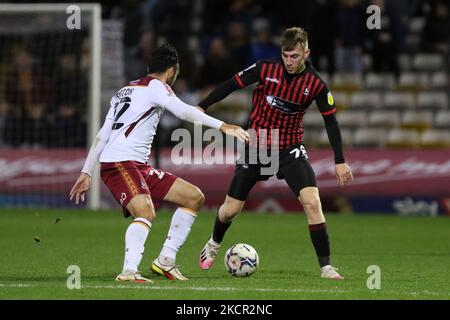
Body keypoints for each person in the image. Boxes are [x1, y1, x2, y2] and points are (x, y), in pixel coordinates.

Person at [69, 44, 248, 283]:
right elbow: (183, 112)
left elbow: (102, 134)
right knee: (144, 212)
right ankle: (129, 271)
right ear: (172, 71)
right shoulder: (157, 86)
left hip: (135, 165)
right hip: (121, 162)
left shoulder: (124, 90)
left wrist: (86, 171)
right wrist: (224, 126)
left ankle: (165, 262)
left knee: (193, 197)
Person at [197, 27, 353, 280]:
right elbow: (230, 85)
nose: (289, 61)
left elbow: (331, 122)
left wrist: (340, 161)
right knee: (230, 210)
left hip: (290, 149)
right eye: (285, 55)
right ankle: (213, 244)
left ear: (306, 53)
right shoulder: (265, 68)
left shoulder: (316, 84)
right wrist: (201, 107)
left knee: (312, 203)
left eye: (294, 56)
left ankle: (326, 267)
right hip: (257, 144)